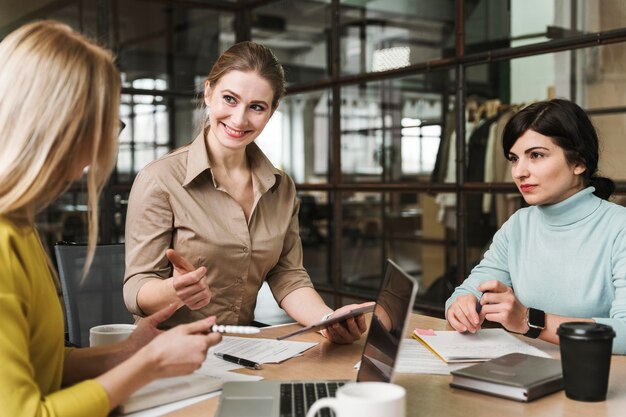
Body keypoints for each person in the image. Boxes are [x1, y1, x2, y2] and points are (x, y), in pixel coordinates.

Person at [0, 21, 222, 417]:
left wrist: (127, 351)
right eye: (106, 123)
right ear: (58, 125)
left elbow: (43, 368)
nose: (109, 141)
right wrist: (148, 365)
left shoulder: (18, 225)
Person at [123, 40, 370, 344]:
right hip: (168, 349)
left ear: (272, 110)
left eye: (256, 107)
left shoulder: (281, 187)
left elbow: (287, 275)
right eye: (230, 99)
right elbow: (136, 287)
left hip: (242, 348)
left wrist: (326, 319)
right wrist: (173, 290)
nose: (239, 119)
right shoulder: (160, 179)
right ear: (208, 92)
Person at [445, 98, 626, 355]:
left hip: (598, 380)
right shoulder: (519, 224)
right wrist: (461, 304)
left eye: (536, 155)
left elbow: (625, 331)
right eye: (514, 159)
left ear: (579, 162)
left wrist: (530, 321)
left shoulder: (620, 228)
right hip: (527, 372)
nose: (519, 171)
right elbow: (469, 289)